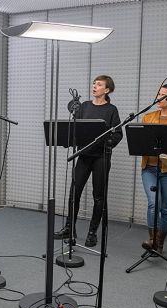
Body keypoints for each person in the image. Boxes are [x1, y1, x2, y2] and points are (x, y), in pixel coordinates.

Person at [53, 75, 122, 247]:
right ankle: (69, 228)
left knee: (98, 196)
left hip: (101, 158)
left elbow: (118, 133)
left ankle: (92, 232)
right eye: (94, 83)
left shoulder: (111, 110)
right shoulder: (84, 106)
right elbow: (76, 128)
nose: (94, 86)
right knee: (73, 193)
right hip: (83, 156)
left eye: (99, 84)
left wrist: (108, 143)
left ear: (107, 90)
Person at [140, 84, 167, 253]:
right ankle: (152, 240)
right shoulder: (148, 117)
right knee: (153, 203)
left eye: (163, 95)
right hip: (149, 168)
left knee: (165, 207)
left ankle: (160, 243)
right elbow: (142, 142)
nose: (159, 97)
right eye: (158, 93)